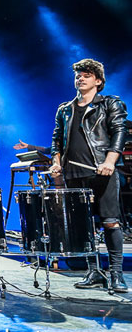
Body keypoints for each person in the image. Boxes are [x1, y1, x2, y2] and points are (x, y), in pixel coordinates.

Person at [50, 58, 128, 293]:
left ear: (98, 81)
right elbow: (57, 140)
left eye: (86, 75)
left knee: (110, 222)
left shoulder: (110, 104)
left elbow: (119, 132)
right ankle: (94, 271)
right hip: (74, 173)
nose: (80, 78)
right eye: (78, 75)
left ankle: (116, 274)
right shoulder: (65, 109)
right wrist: (56, 163)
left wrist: (110, 161)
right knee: (84, 225)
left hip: (101, 171)